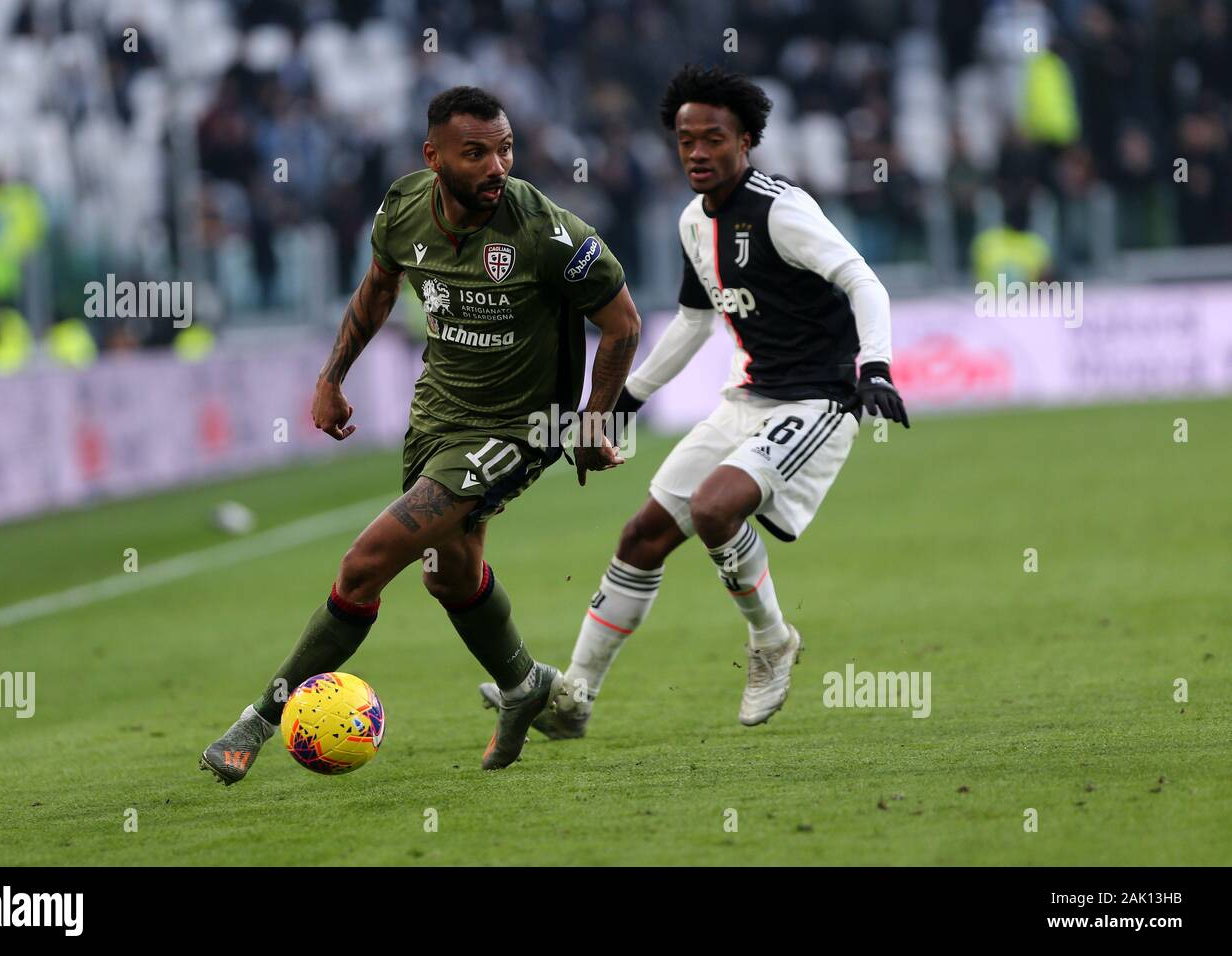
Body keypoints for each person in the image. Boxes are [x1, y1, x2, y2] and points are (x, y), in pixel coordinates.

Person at [200, 86, 640, 782]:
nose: (498, 166)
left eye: (506, 148)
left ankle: (259, 718)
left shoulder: (548, 234)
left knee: (366, 561)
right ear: (432, 157)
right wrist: (331, 376)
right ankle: (526, 686)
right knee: (449, 574)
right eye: (477, 153)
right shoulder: (404, 207)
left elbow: (622, 322)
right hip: (437, 416)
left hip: (519, 427)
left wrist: (593, 418)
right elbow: (378, 288)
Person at [481, 64, 907, 735]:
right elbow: (694, 321)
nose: (698, 153)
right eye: (686, 141)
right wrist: (624, 401)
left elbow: (863, 281)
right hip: (750, 398)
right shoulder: (691, 222)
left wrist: (875, 368)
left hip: (819, 401)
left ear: (746, 143)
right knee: (642, 536)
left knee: (714, 508)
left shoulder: (781, 211)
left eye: (714, 139)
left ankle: (772, 641)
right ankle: (574, 699)